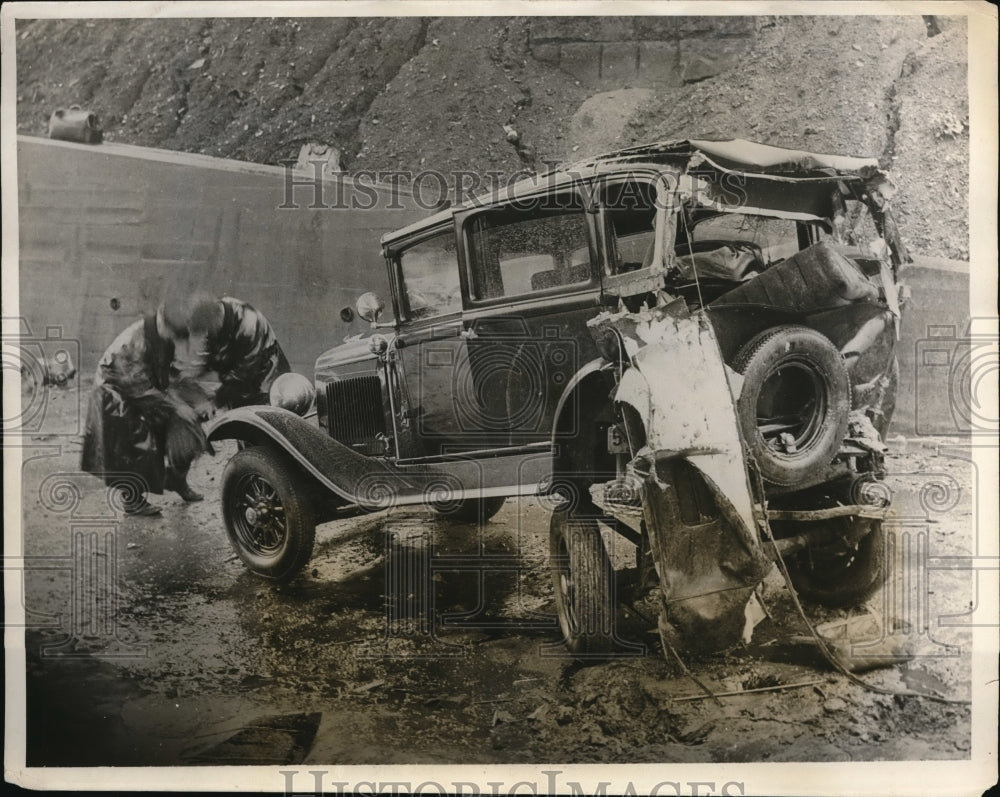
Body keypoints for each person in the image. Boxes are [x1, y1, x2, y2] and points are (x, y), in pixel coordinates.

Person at [80, 304, 211, 516]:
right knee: (137, 439)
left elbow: (172, 373)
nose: (176, 339)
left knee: (189, 427)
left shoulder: (164, 336)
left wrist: (198, 398)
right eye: (174, 334)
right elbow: (137, 385)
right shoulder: (135, 339)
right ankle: (131, 499)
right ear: (162, 323)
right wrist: (176, 405)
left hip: (146, 386)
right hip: (114, 391)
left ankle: (176, 480)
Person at [186, 296, 290, 409]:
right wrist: (195, 372)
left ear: (216, 322)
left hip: (268, 386)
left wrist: (214, 403)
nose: (207, 337)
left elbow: (242, 376)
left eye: (209, 332)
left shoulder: (249, 325)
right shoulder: (214, 312)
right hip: (241, 383)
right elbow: (212, 354)